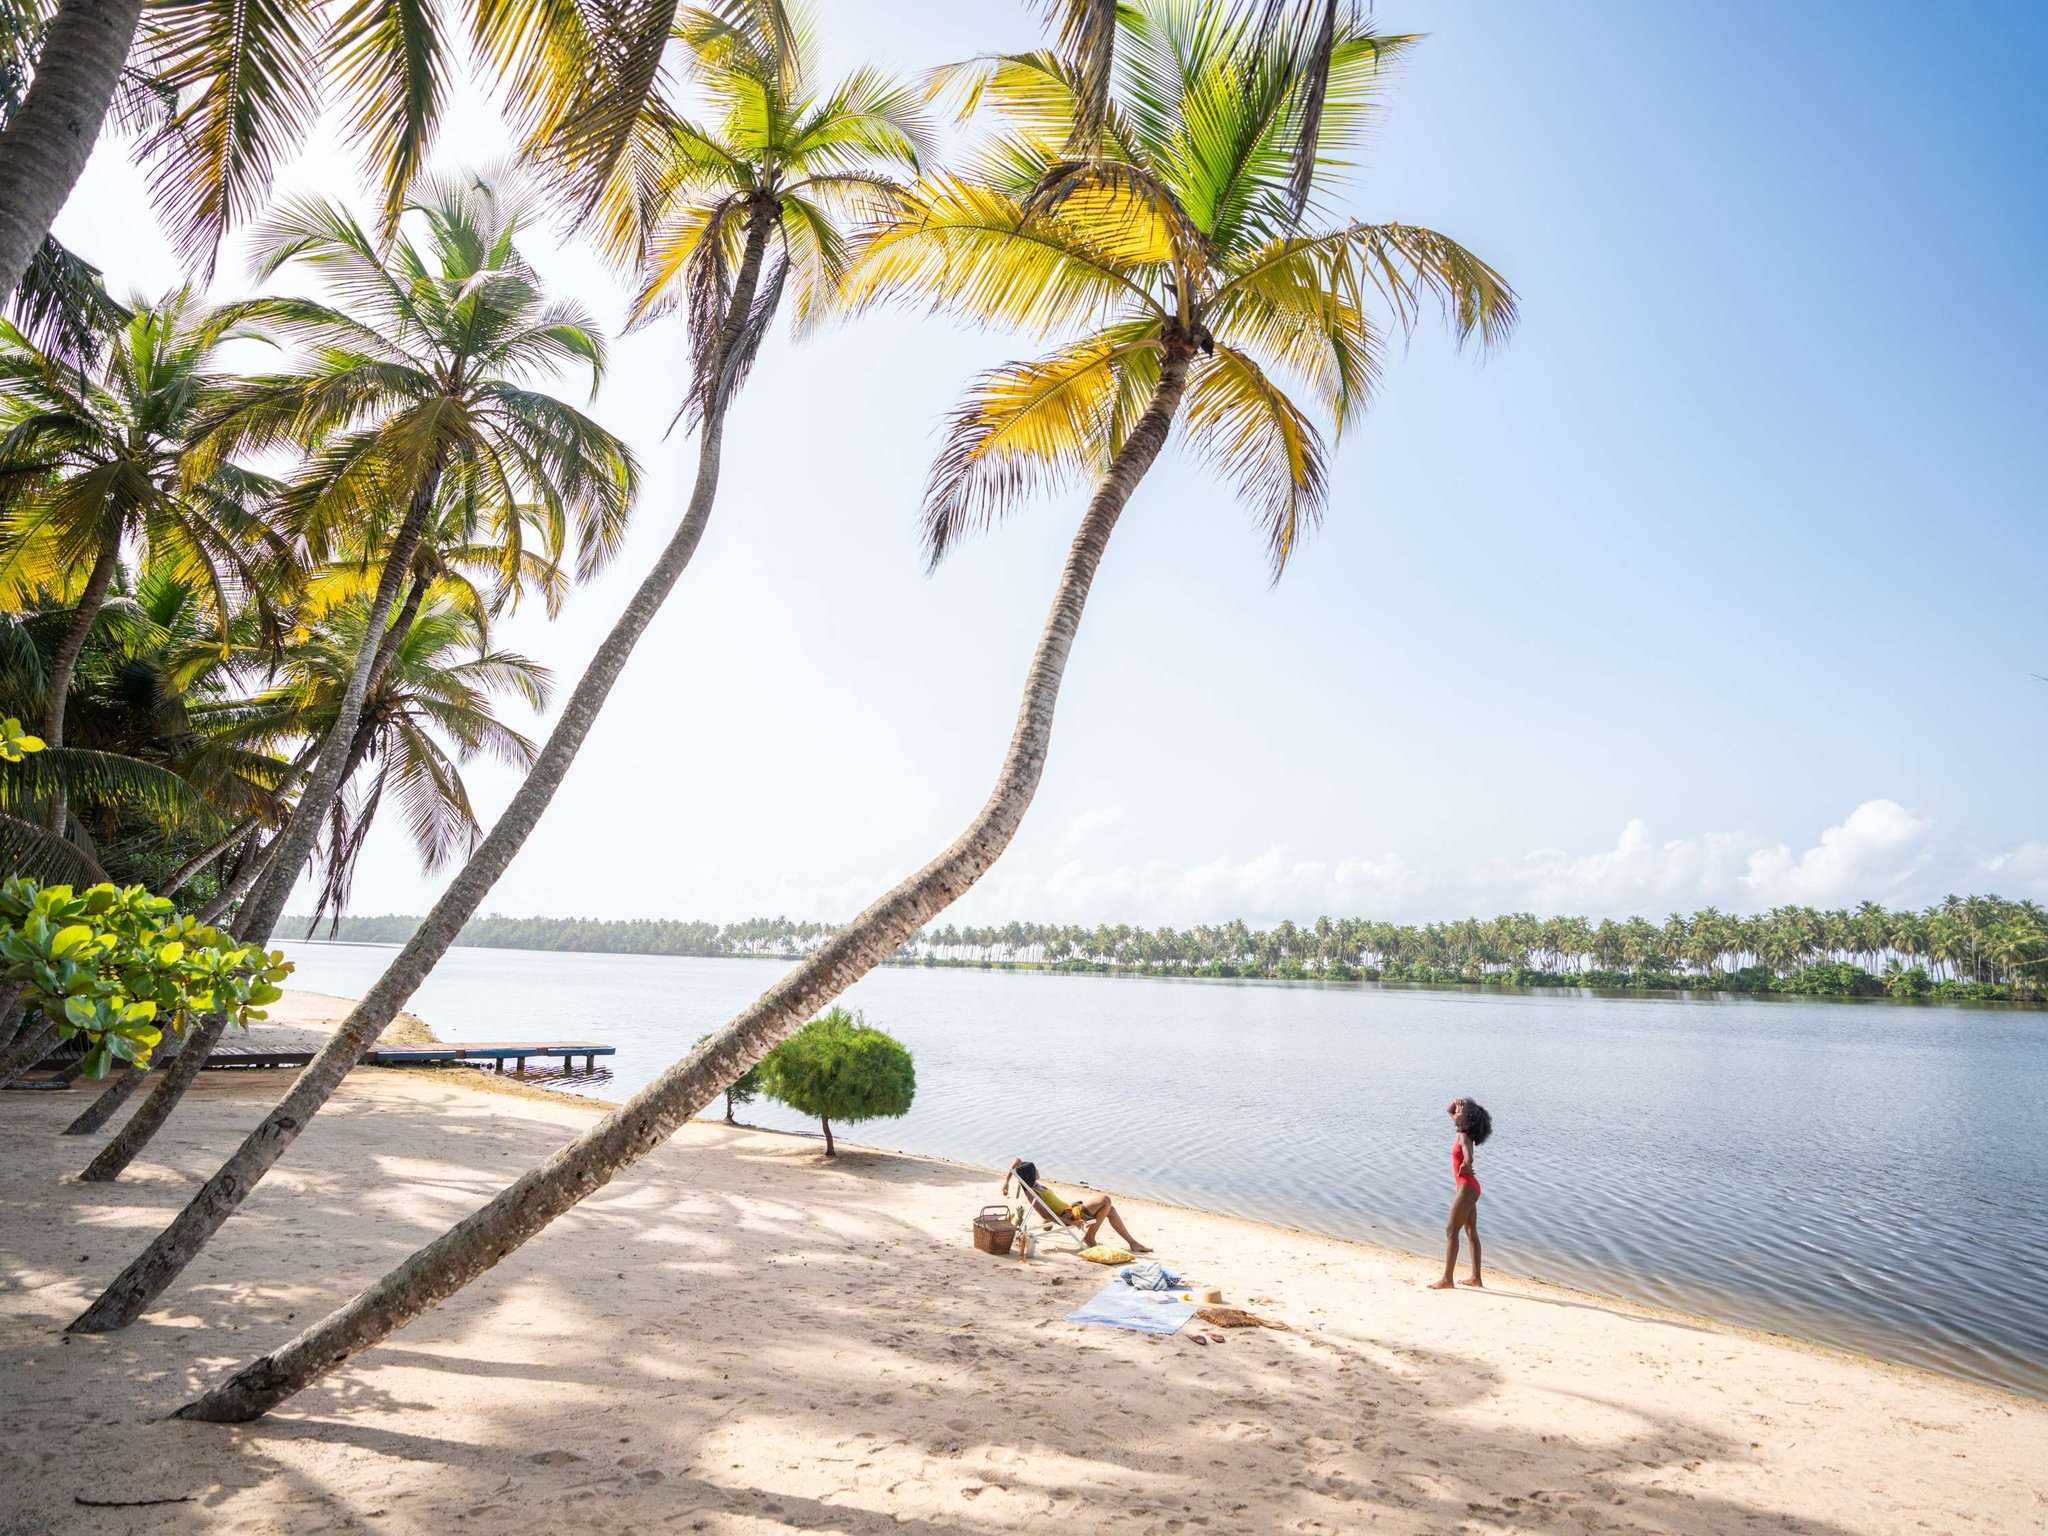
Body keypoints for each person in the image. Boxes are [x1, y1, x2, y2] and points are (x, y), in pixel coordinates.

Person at [1003, 1158, 1152, 1254]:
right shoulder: (1032, 1192)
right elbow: (1046, 1215)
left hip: (1072, 1208)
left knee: (1110, 1210)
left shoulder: (1033, 1184)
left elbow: (1017, 1162)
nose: (1038, 1170)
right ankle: (1090, 1237)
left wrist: (1007, 1182)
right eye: (1035, 1170)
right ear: (1030, 1174)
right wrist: (1072, 1222)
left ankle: (1132, 1243)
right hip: (1070, 1215)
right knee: (1106, 1199)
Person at [1428, 1097, 1492, 1290]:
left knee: (1451, 1231)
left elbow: (1468, 1155)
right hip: (1470, 1187)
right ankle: (1476, 1278)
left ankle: (1447, 1279)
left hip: (1466, 1187)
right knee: (1471, 1232)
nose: (1456, 1113)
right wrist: (1456, 1106)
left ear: (1467, 1120)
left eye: (1460, 1113)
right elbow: (1449, 1112)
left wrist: (1466, 1164)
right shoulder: (1463, 1131)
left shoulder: (1464, 1136)